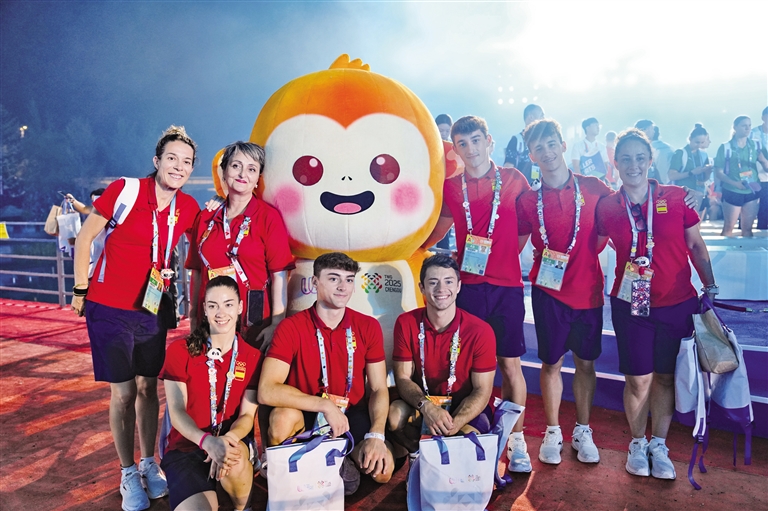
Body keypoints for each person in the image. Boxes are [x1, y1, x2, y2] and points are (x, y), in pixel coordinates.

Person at [71, 126, 201, 511]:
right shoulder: (125, 190)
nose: (178, 166)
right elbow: (85, 238)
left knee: (148, 389)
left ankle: (148, 463)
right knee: (124, 393)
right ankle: (127, 471)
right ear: (157, 161)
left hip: (152, 308)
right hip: (109, 307)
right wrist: (80, 289)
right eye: (172, 158)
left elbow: (206, 244)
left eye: (186, 162)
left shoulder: (188, 207)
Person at [596, 128, 718, 480]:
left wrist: (710, 285)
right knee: (638, 380)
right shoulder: (608, 207)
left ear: (650, 160)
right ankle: (637, 443)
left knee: (665, 377)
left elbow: (695, 245)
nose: (633, 165)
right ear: (615, 162)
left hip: (677, 303)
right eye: (625, 159)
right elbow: (594, 245)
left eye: (640, 158)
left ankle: (659, 444)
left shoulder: (677, 197)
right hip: (630, 305)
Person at [421, 115, 532, 473]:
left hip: (507, 287)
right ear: (456, 149)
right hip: (468, 287)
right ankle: (470, 432)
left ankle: (517, 441)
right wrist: (410, 248)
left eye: (476, 140)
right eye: (463, 144)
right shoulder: (453, 187)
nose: (471, 149)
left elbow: (524, 231)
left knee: (510, 365)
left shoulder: (514, 179)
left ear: (489, 141)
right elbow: (438, 228)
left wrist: (502, 258)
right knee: (467, 367)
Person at [516, 119, 613, 466]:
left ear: (563, 145)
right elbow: (514, 243)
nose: (547, 152)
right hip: (548, 294)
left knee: (586, 364)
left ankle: (583, 430)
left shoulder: (594, 187)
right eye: (538, 148)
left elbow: (616, 221)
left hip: (588, 293)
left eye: (551, 144)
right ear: (531, 155)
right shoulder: (528, 200)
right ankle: (553, 430)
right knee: (551, 363)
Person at [257, 252, 395, 494]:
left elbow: (378, 388)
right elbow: (267, 390)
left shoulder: (367, 326)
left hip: (350, 415)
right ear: (315, 282)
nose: (343, 287)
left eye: (349, 280)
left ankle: (336, 459)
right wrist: (324, 406)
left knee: (382, 471)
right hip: (308, 415)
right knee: (281, 420)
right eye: (333, 279)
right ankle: (310, 466)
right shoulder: (291, 326)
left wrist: (376, 435)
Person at [160, 276, 260, 511]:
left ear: (240, 307)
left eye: (228, 304)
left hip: (232, 443)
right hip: (188, 447)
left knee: (234, 459)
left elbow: (247, 416)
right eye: (213, 305)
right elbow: (176, 411)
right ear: (204, 309)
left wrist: (225, 441)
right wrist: (208, 442)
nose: (221, 313)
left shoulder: (253, 357)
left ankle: (242, 507)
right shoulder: (180, 350)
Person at [186, 141, 294, 349]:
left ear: (258, 179)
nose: (243, 174)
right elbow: (197, 272)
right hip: (211, 321)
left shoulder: (268, 218)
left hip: (254, 321)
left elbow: (279, 275)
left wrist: (276, 323)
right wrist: (193, 319)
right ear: (224, 172)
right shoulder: (206, 217)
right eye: (236, 166)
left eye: (251, 169)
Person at [387, 255, 496, 458]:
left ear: (458, 286)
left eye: (448, 281)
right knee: (394, 416)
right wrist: (427, 407)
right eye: (433, 282)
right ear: (422, 288)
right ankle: (418, 456)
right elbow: (402, 377)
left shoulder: (481, 331)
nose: (441, 289)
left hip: (464, 407)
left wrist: (454, 424)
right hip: (424, 404)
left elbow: (482, 390)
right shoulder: (406, 323)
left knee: (466, 442)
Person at [714, 115, 768, 237]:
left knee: (748, 229)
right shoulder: (726, 147)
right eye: (744, 126)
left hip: (752, 190)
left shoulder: (756, 145)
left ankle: (747, 250)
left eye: (749, 125)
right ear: (735, 127)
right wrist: (735, 183)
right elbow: (718, 173)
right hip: (732, 190)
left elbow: (767, 168)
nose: (748, 128)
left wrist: (763, 160)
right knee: (728, 228)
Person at [668, 124, 714, 219]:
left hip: (700, 193)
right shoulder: (680, 153)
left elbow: (703, 180)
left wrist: (708, 172)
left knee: (697, 224)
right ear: (690, 139)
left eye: (702, 142)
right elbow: (672, 175)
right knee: (687, 223)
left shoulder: (703, 154)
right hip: (685, 195)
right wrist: (691, 173)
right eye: (697, 142)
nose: (699, 145)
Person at [504, 103, 545, 184]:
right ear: (531, 117)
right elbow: (508, 169)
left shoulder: (543, 142)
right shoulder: (516, 140)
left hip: (539, 189)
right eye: (541, 116)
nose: (544, 119)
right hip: (520, 189)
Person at [751, 107, 768, 229]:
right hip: (754, 176)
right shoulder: (753, 133)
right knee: (750, 204)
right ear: (763, 117)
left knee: (765, 207)